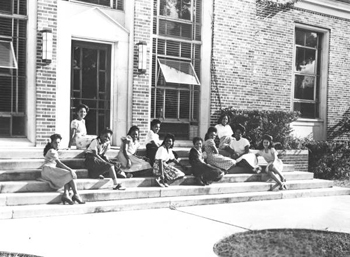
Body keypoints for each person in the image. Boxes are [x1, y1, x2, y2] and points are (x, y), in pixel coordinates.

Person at [41, 134, 85, 205]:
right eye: (55, 142)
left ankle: (66, 194)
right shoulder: (52, 151)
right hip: (48, 171)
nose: (57, 144)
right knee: (69, 174)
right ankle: (76, 195)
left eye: (58, 142)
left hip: (50, 170)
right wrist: (71, 170)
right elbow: (59, 163)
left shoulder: (54, 150)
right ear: (51, 143)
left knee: (66, 175)